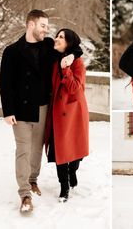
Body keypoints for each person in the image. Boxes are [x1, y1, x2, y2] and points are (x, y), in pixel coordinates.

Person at [0, 9, 72, 213]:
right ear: (31, 25)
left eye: (47, 26)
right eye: (43, 25)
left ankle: (32, 180)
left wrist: (73, 56)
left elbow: (73, 45)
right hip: (20, 111)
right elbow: (5, 85)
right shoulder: (11, 51)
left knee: (37, 148)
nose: (46, 30)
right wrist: (8, 111)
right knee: (23, 150)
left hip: (43, 108)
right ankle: (25, 194)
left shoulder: (48, 45)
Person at [44, 29, 89, 203]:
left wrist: (66, 69)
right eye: (57, 35)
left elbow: (74, 88)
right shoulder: (53, 58)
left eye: (61, 37)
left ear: (69, 42)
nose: (57, 39)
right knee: (59, 151)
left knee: (77, 151)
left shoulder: (77, 63)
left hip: (74, 112)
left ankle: (73, 171)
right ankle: (64, 186)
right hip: (57, 112)